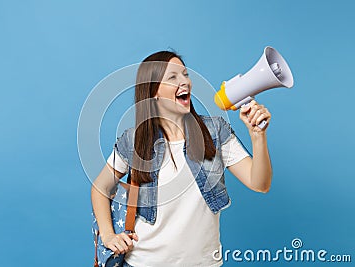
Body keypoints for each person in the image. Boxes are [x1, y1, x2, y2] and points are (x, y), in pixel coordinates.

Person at [91, 51, 272, 267]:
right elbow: (100, 187)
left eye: (185, 74)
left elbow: (260, 184)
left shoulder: (214, 132)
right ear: (153, 92)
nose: (184, 81)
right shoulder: (135, 140)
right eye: (173, 77)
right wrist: (108, 235)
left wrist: (258, 136)